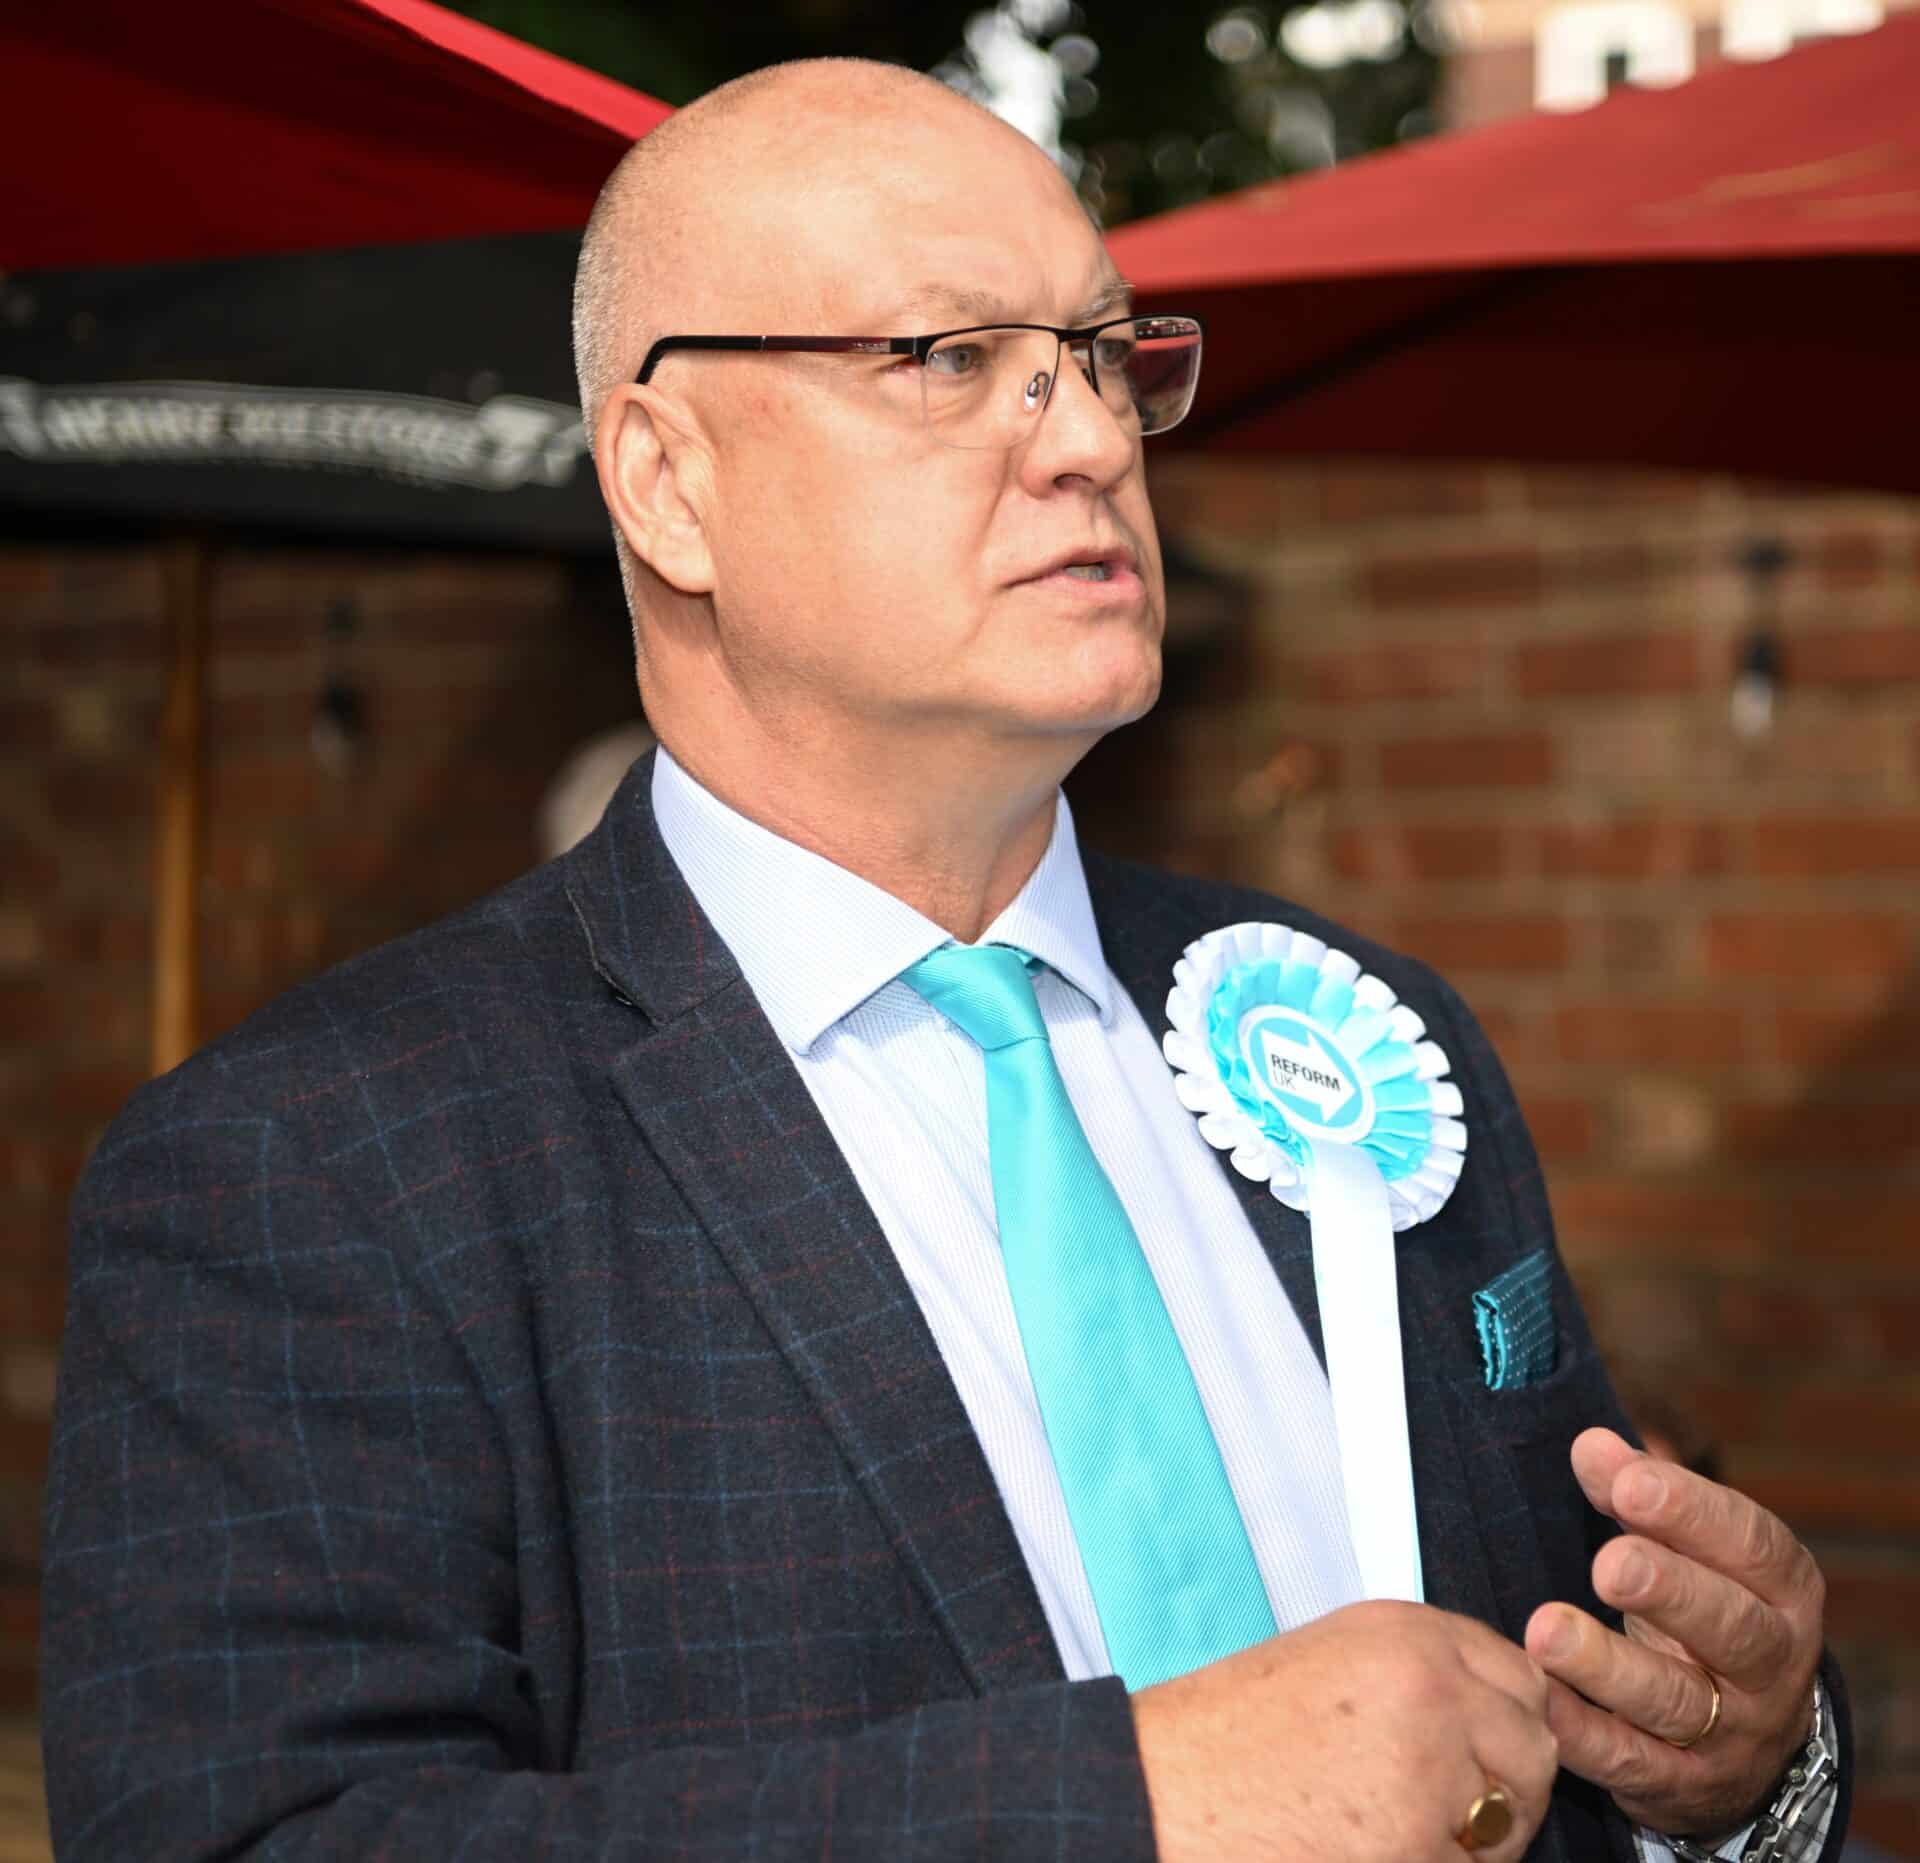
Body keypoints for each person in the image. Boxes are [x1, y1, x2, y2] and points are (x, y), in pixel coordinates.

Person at [43, 59, 1847, 1862]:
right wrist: (1128, 1808)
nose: (1083, 439)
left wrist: (1743, 1771)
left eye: (1100, 350)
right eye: (945, 359)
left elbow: (1572, 1716)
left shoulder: (1347, 1030)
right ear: (668, 486)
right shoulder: (320, 1164)